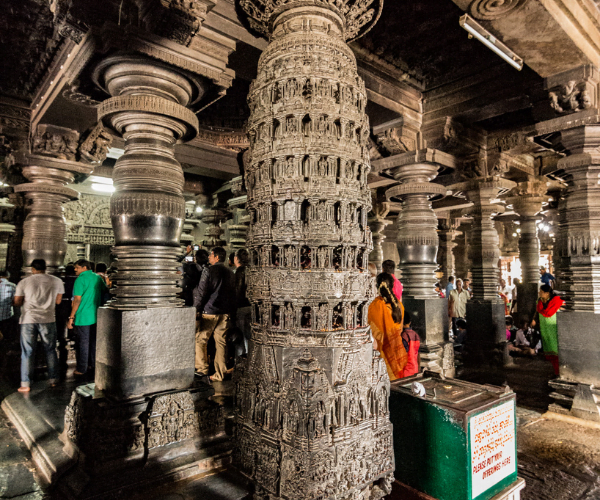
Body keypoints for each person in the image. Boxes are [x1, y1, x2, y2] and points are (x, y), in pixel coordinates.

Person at [14, 259, 64, 392]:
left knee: (27, 352)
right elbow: (58, 301)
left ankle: (25, 384)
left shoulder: (24, 282)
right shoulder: (56, 281)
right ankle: (54, 380)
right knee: (51, 349)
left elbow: (17, 302)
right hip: (48, 318)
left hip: (28, 319)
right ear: (45, 268)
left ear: (32, 269)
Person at [193, 246, 236, 382]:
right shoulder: (230, 272)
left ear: (216, 257)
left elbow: (201, 292)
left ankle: (201, 369)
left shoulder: (208, 271)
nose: (209, 257)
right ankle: (220, 374)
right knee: (221, 343)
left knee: (200, 340)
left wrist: (196, 309)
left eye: (211, 255)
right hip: (225, 313)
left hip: (209, 312)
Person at [67, 259, 108, 377]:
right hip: (96, 315)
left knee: (83, 343)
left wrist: (71, 316)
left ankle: (81, 368)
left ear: (85, 268)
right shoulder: (97, 278)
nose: (75, 270)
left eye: (77, 267)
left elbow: (77, 299)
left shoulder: (80, 279)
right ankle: (94, 365)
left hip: (83, 316)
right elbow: (105, 290)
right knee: (94, 342)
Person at [367, 273, 407, 381]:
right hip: (397, 352)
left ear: (377, 286)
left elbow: (372, 331)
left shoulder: (376, 305)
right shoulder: (399, 305)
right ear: (393, 286)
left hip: (383, 353)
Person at [532, 284, 564, 375]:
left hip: (554, 328)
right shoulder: (539, 301)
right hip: (545, 328)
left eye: (541, 292)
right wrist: (534, 319)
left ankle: (559, 371)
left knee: (556, 350)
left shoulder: (556, 301)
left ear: (547, 293)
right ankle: (556, 371)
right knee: (549, 349)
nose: (539, 293)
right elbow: (537, 312)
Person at [234, 248, 252, 353]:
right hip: (251, 306)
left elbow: (238, 290)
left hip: (242, 306)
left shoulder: (240, 271)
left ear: (236, 259)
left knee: (242, 334)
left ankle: (243, 357)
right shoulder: (252, 270)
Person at [399, 312, 420, 378]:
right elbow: (418, 353)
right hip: (415, 368)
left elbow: (402, 354)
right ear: (410, 322)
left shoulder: (404, 336)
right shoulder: (415, 334)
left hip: (406, 370)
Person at [0, 269, 16, 339]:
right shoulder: (13, 286)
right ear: (8, 276)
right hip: (7, 315)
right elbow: (15, 301)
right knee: (6, 336)